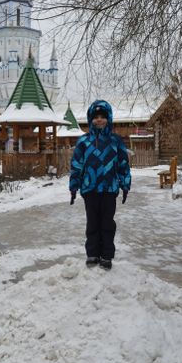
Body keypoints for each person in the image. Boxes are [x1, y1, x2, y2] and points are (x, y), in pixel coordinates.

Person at [69, 100, 131, 270]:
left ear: (108, 118)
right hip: (89, 188)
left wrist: (125, 184)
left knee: (107, 223)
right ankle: (92, 254)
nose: (99, 120)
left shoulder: (115, 141)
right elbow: (76, 165)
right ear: (90, 119)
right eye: (95, 117)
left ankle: (106, 256)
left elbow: (123, 164)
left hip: (110, 189)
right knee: (92, 223)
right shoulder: (83, 141)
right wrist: (74, 186)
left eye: (103, 116)